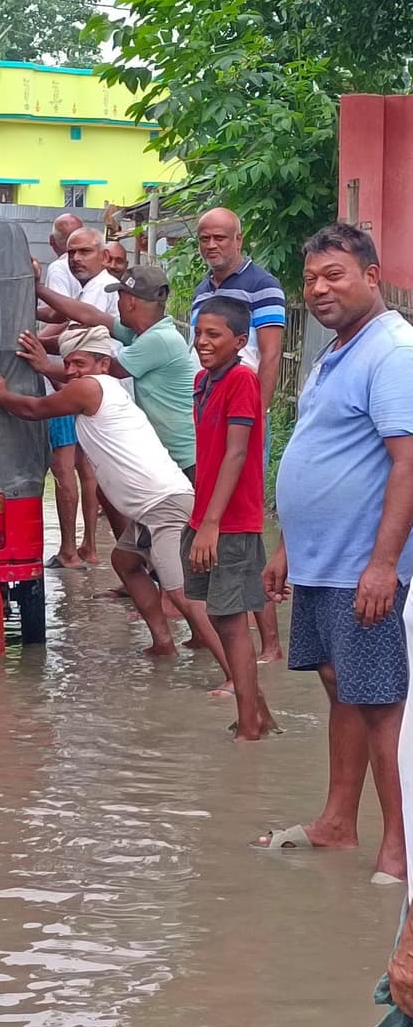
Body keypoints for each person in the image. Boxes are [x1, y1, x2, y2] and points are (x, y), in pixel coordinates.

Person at [260, 222, 413, 882]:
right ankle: (337, 823)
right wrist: (289, 545)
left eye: (336, 275)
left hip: (365, 567)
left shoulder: (394, 349)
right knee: (338, 684)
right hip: (321, 563)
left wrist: (382, 564)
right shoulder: (337, 351)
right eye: (312, 277)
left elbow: (406, 464)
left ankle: (401, 849)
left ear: (372, 277)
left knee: (381, 701)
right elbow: (325, 453)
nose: (319, 288)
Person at [0, 323, 230, 674]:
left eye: (80, 363)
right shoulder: (101, 389)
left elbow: (35, 409)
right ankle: (165, 642)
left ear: (103, 364)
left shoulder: (92, 388)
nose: (72, 371)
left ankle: (236, 677)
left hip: (163, 506)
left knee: (180, 592)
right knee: (126, 562)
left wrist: (1, 395)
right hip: (156, 506)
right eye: (68, 363)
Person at [181, 295, 278, 741]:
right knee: (221, 618)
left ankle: (250, 729)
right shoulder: (203, 380)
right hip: (206, 515)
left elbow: (238, 453)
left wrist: (212, 522)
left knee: (233, 621)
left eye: (213, 335)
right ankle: (258, 714)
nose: (202, 341)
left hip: (231, 522)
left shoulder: (242, 380)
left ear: (240, 341)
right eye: (199, 333)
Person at [192, 207, 286, 663]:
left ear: (239, 238)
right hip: (215, 414)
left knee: (243, 528)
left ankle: (268, 644)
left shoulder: (262, 286)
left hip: (244, 420)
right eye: (205, 239)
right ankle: (253, 645)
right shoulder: (201, 291)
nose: (212, 246)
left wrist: (257, 422)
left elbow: (269, 357)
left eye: (220, 238)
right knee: (231, 532)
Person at [29, 264, 196, 477]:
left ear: (131, 302)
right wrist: (39, 289)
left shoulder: (160, 340)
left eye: (119, 297)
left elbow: (100, 371)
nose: (117, 303)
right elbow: (91, 316)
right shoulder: (143, 333)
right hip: (169, 454)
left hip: (182, 459)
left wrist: (45, 366)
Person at [37, 218, 100, 569]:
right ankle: (86, 546)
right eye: (73, 249)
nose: (76, 257)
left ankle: (70, 550)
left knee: (64, 466)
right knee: (84, 467)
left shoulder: (60, 272)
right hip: (78, 379)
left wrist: (33, 345)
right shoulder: (88, 283)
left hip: (65, 380)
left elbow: (64, 322)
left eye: (84, 251)